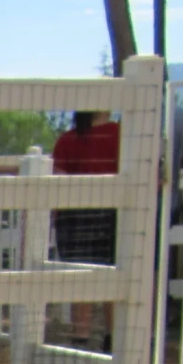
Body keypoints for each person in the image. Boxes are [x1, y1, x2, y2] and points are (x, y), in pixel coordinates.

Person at [52, 111, 123, 350]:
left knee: (81, 277)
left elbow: (58, 183)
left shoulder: (68, 139)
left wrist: (55, 216)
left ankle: (80, 336)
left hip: (76, 213)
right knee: (113, 275)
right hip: (113, 212)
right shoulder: (122, 135)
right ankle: (113, 337)